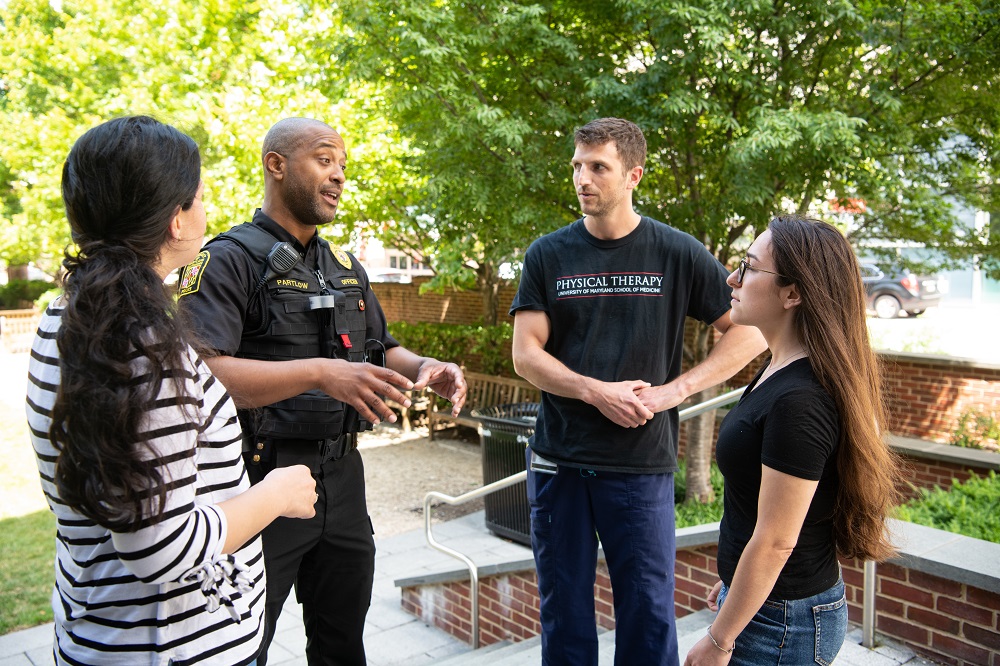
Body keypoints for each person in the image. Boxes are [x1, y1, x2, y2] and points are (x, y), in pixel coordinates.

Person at [25, 115, 319, 666]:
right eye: (200, 197)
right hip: (170, 647)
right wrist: (276, 494)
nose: (206, 211)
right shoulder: (140, 346)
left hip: (105, 629)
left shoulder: (66, 316)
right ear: (175, 219)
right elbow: (159, 549)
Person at [177, 117, 467, 666]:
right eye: (324, 159)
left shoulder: (345, 267)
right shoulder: (227, 261)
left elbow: (383, 347)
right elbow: (201, 374)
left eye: (342, 165)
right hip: (256, 482)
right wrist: (318, 372)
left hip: (343, 481)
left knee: (342, 646)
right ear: (277, 164)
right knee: (240, 648)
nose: (337, 176)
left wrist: (427, 365)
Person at [510, 117, 767, 666]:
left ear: (634, 175)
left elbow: (750, 332)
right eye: (577, 165)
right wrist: (593, 391)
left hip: (640, 465)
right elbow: (526, 355)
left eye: (598, 167)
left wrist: (676, 391)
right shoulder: (547, 255)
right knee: (565, 615)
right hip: (560, 463)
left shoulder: (675, 252)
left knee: (649, 615)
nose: (582, 178)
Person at [683, 216, 902, 666]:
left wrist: (721, 638)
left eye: (748, 266)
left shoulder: (800, 400)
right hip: (765, 606)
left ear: (793, 293)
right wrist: (733, 582)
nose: (731, 277)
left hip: (782, 624)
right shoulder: (778, 368)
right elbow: (758, 514)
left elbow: (778, 540)